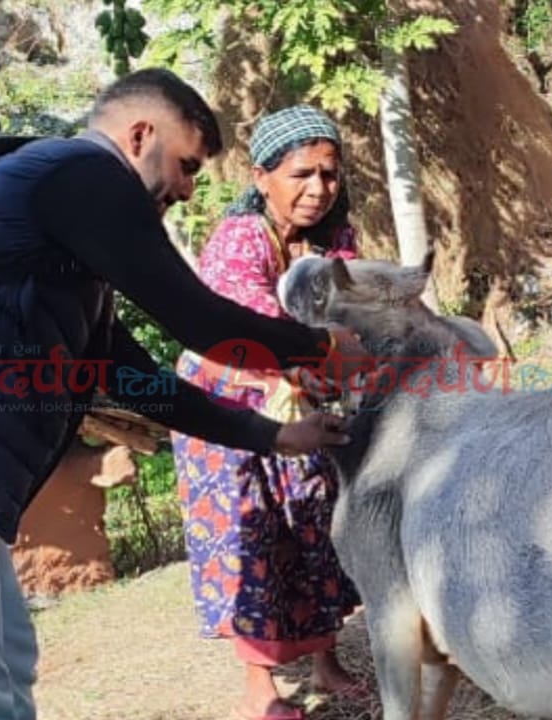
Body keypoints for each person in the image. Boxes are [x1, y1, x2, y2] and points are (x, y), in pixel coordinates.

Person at [0, 69, 367, 720]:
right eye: (185, 163)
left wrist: (273, 436)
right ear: (139, 133)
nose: (186, 187)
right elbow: (199, 321)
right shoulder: (75, 171)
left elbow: (132, 377)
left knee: (2, 675)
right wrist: (319, 347)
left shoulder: (59, 244)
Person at [171, 105, 368, 720]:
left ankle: (326, 662)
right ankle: (261, 692)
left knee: (315, 523)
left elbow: (351, 313)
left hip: (301, 394)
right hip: (228, 408)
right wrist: (330, 361)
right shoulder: (238, 240)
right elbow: (256, 331)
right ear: (262, 177)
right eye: (301, 174)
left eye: (329, 175)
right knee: (251, 536)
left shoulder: (335, 241)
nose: (318, 190)